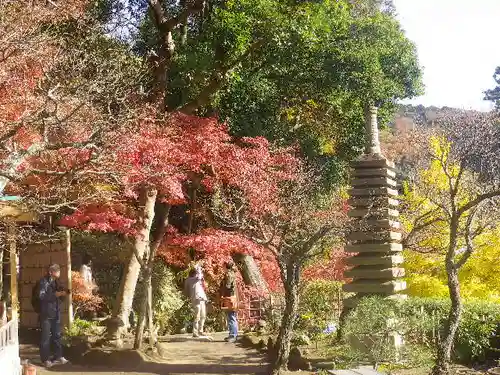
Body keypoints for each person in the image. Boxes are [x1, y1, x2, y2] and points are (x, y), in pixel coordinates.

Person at [39, 264, 69, 368]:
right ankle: (45, 359)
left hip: (56, 311)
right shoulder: (43, 282)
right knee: (45, 337)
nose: (58, 273)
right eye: (56, 271)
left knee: (57, 335)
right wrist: (54, 295)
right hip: (46, 313)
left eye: (58, 271)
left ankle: (58, 356)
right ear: (50, 272)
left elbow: (61, 295)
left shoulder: (57, 282)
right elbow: (41, 296)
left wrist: (63, 294)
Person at [184, 263, 207, 337]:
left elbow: (186, 291)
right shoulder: (191, 280)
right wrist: (198, 268)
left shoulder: (197, 280)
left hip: (201, 298)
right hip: (196, 299)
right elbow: (186, 290)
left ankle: (200, 330)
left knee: (203, 315)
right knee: (197, 315)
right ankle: (195, 331)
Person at [220, 261, 238, 343]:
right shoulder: (232, 274)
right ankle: (232, 334)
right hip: (232, 296)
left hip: (230, 297)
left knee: (231, 316)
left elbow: (228, 286)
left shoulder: (229, 275)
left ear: (226, 266)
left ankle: (233, 335)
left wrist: (223, 293)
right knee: (231, 316)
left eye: (223, 266)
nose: (222, 268)